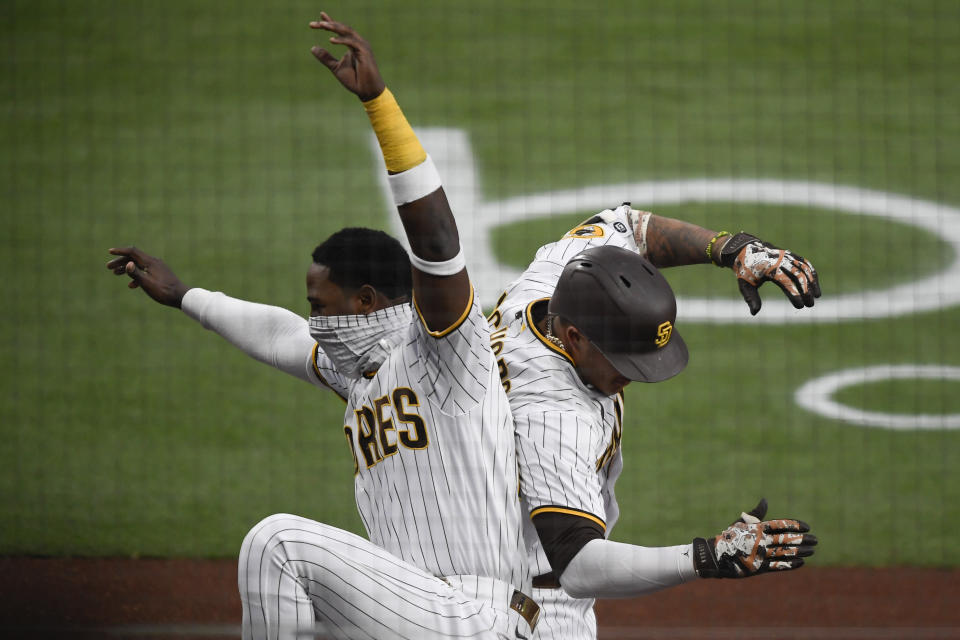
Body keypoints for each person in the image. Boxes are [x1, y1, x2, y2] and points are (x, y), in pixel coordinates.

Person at [107, 13, 539, 640]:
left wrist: (379, 105)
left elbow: (439, 243)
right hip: (415, 613)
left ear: (366, 299)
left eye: (322, 303)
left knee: (277, 544)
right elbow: (278, 335)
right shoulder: (356, 371)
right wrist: (183, 296)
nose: (313, 318)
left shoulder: (449, 352)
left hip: (476, 616)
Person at [487, 203, 820, 639]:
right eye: (624, 360)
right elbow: (578, 565)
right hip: (530, 603)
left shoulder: (554, 281)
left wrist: (729, 248)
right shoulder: (553, 418)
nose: (632, 377)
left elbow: (630, 226)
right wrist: (709, 555)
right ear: (574, 337)